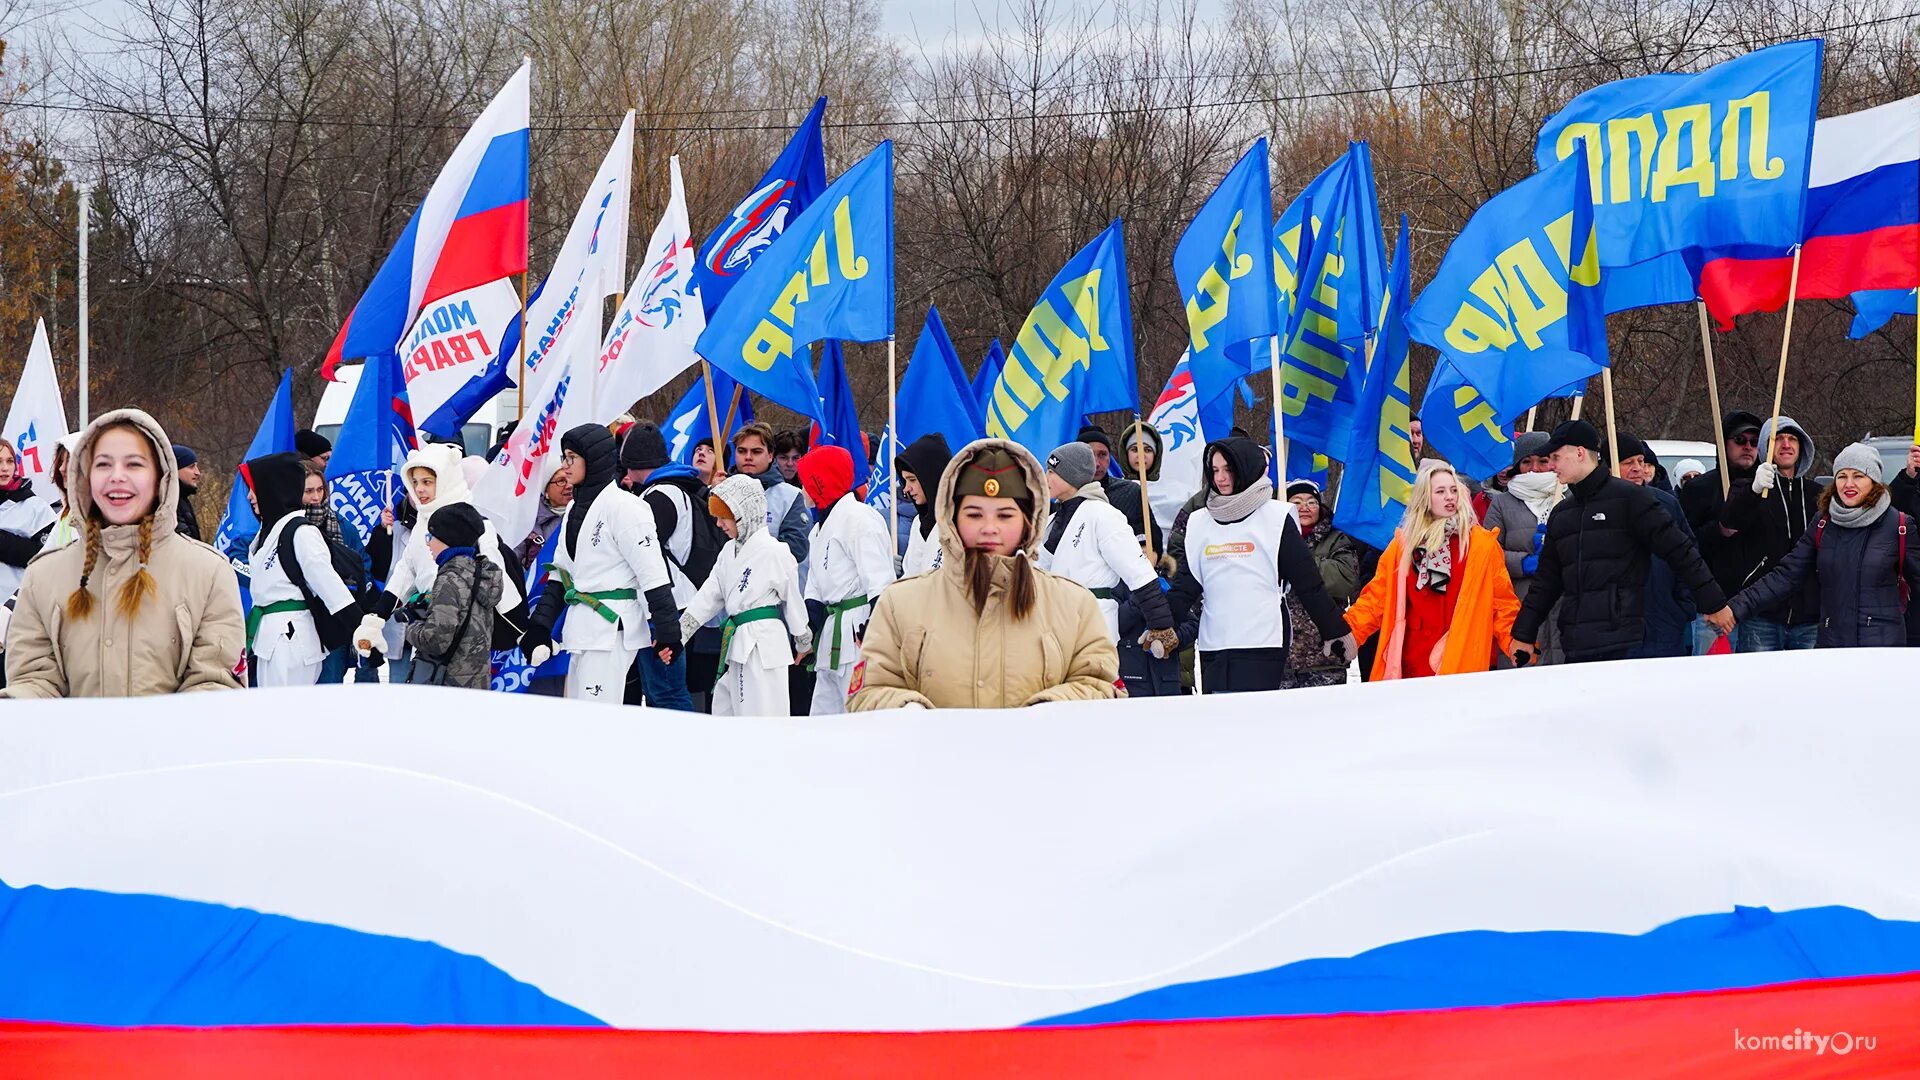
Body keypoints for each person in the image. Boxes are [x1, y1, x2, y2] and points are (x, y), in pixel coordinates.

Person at [850, 440, 1118, 709]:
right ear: (952, 518)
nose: (990, 528)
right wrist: (909, 710)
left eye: (1005, 515)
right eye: (974, 514)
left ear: (1029, 523)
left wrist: (1051, 708)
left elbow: (1101, 686)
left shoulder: (1073, 604)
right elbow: (867, 692)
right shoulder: (900, 603)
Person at [3, 408, 244, 698]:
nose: (117, 477)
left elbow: (216, 683)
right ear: (85, 477)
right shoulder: (43, 575)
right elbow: (33, 680)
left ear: (160, 476)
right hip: (72, 743)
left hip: (172, 742)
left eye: (134, 464)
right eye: (103, 464)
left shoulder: (209, 572)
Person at [1511, 421, 1732, 665]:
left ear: (1580, 453)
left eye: (1555, 457)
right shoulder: (1562, 513)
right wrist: (1523, 634)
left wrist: (1713, 603)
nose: (1550, 465)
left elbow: (1681, 551)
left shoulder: (1631, 499)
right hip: (1577, 644)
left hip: (1629, 643)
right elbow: (1546, 582)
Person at [1167, 437, 1349, 694]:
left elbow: (1308, 584)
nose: (1220, 478)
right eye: (1215, 470)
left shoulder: (1276, 517)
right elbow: (1185, 587)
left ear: (1246, 468)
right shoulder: (1199, 522)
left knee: (1256, 725)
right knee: (1221, 725)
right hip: (1215, 645)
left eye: (1228, 469)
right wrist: (1159, 625)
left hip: (1262, 642)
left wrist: (1335, 630)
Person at [517, 424, 682, 702]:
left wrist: (668, 632)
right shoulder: (573, 509)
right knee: (579, 719)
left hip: (611, 628)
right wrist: (540, 627)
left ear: (592, 460)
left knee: (598, 722)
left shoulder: (625, 507)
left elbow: (652, 573)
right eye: (564, 458)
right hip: (582, 628)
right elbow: (560, 574)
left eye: (572, 458)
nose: (566, 466)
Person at [1726, 442, 1917, 649]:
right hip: (1831, 646)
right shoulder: (1823, 523)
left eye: (1859, 476)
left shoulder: (1898, 525)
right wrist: (1735, 607)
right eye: (1842, 476)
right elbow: (1786, 575)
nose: (1849, 484)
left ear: (1874, 481)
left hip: (1882, 648)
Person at [1343, 460, 1519, 679]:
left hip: (1462, 662)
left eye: (1454, 490)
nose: (1450, 497)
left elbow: (1502, 603)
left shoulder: (1481, 545)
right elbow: (1375, 599)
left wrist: (1515, 642)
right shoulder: (1403, 547)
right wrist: (1349, 634)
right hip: (1412, 664)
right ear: (1425, 499)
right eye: (1441, 491)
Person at [676, 474, 813, 715]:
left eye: (724, 517)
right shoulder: (728, 551)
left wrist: (802, 639)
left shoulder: (776, 552)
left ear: (743, 513)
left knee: (762, 716)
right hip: (737, 642)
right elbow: (709, 596)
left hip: (765, 644)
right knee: (727, 711)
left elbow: (793, 602)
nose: (719, 524)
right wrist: (680, 633)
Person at [1038, 442, 1177, 655]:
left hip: (1093, 625)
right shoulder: (1052, 520)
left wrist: (1160, 625)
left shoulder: (1103, 515)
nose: (1045, 479)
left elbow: (1138, 571)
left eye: (1052, 472)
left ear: (1071, 476)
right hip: (1054, 629)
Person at [240, 452, 362, 688]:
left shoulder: (302, 532)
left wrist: (361, 629)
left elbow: (330, 587)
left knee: (289, 716)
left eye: (254, 488)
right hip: (270, 637)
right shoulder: (268, 531)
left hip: (292, 640)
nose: (249, 496)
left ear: (272, 489)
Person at [621, 420, 717, 711]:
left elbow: (643, 556)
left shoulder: (659, 496)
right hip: (675, 602)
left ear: (635, 461)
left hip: (665, 607)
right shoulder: (676, 488)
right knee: (663, 692)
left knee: (666, 693)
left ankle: (681, 753)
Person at [797, 444, 895, 715]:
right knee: (822, 718)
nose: (801, 487)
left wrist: (874, 631)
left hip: (859, 632)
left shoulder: (860, 518)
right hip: (831, 635)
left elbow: (881, 582)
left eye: (806, 481)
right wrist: (806, 635)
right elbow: (814, 590)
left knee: (858, 715)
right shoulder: (818, 530)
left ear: (820, 483)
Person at [1721, 415, 1822, 652]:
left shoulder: (1818, 494)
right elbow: (1729, 524)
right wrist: (1753, 491)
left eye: (1792, 439)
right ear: (1766, 445)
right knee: (1760, 686)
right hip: (1762, 615)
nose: (1786, 445)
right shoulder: (1747, 489)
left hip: (1809, 616)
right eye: (1778, 438)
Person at [1677, 409, 1765, 653]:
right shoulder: (1698, 489)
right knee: (1712, 682)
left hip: (1760, 610)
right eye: (1739, 440)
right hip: (1715, 609)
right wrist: (1719, 530)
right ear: (1723, 444)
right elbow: (1685, 546)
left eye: (1754, 442)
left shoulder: (1767, 488)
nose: (1747, 447)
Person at [1479, 432, 1562, 665]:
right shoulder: (1502, 504)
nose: (1534, 468)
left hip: (1561, 607)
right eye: (1526, 462)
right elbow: (1488, 554)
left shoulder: (1566, 498)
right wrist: (1524, 563)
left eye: (1542, 461)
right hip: (1517, 605)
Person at [404, 502, 503, 689]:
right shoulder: (481, 574)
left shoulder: (449, 580)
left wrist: (411, 625)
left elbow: (436, 641)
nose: (428, 542)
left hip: (448, 685)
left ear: (446, 539)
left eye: (430, 536)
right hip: (477, 683)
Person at [1617, 434, 1695, 659]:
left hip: (1664, 624)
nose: (1637, 469)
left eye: (1641, 461)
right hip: (1617, 630)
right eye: (1628, 462)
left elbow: (1689, 554)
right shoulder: (1595, 507)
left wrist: (1682, 606)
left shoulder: (1666, 503)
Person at [1281, 479, 1359, 687]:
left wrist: (1298, 560)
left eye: (1311, 502)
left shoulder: (1336, 539)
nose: (1304, 508)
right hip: (1282, 661)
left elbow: (1345, 580)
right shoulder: (1271, 540)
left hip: (1325, 658)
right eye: (1296, 502)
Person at [733, 423, 808, 568]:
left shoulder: (789, 496)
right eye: (742, 451)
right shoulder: (718, 492)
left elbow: (797, 548)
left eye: (756, 452)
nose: (748, 457)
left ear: (770, 455)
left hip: (768, 581)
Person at [1078, 424, 1160, 552]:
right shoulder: (1064, 496)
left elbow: (1148, 542)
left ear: (1110, 458)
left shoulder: (1129, 492)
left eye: (1102, 455)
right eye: (1088, 455)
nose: (1097, 463)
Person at [0, 436, 57, 606]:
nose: (4, 468)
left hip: (16, 606)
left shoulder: (35, 507)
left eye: (10, 461)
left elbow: (46, 556)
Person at [896, 433, 954, 578]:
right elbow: (911, 577)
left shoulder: (960, 522)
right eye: (905, 481)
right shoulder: (919, 523)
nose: (906, 488)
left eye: (912, 480)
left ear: (930, 477)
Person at [173, 443, 204, 541]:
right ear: (174, 468)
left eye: (197, 467)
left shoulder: (181, 499)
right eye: (191, 467)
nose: (197, 473)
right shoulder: (168, 503)